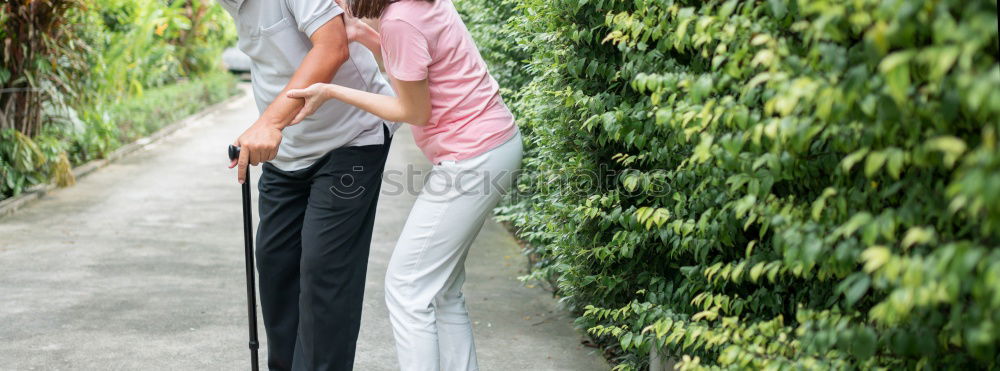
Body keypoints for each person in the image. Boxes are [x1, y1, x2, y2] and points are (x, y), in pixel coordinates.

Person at [287, 0, 523, 369]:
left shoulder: (400, 20)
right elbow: (414, 66)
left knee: (407, 289)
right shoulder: (414, 7)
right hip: (492, 147)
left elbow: (412, 110)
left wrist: (332, 91)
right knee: (442, 290)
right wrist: (366, 35)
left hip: (472, 160)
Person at [215, 0, 396, 370]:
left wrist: (270, 123)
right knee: (276, 263)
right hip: (288, 152)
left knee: (323, 273)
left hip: (352, 138)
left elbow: (333, 46)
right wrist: (272, 127)